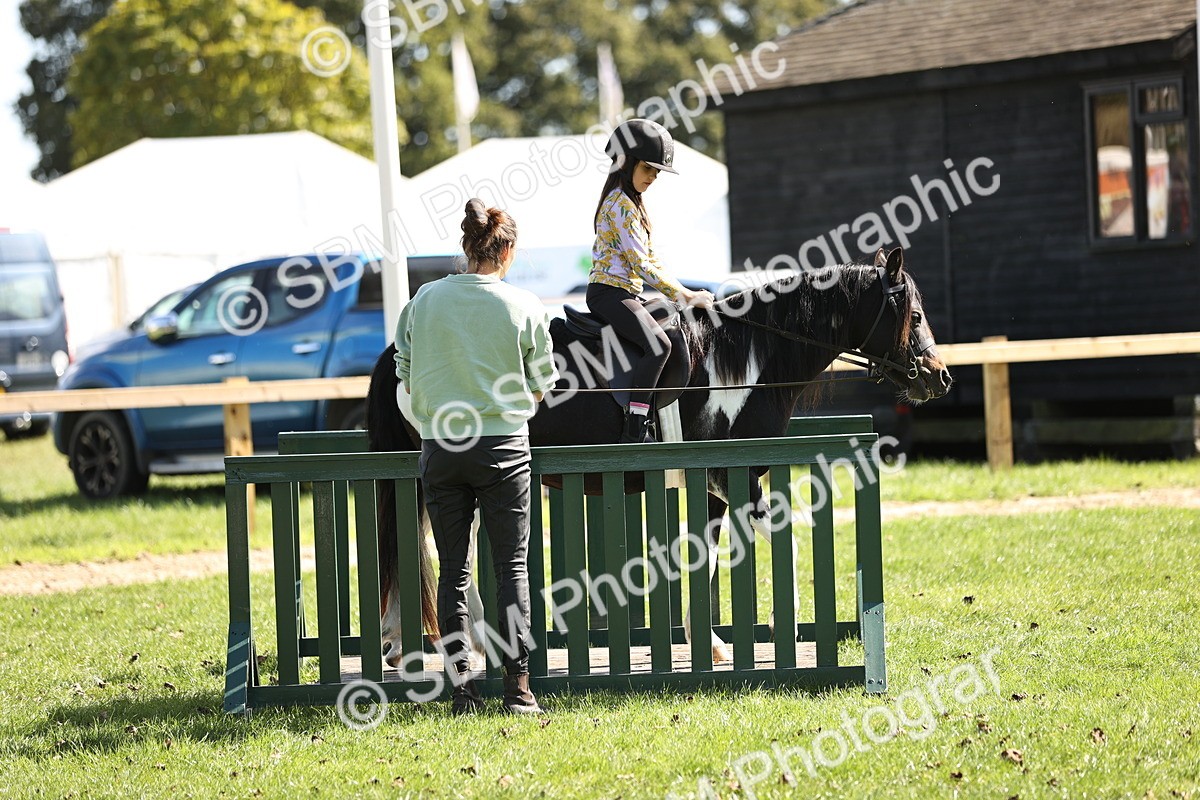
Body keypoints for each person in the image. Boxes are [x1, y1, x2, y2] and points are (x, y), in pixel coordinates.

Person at [394, 199, 559, 716]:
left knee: (453, 572)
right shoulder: (524, 305)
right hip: (504, 448)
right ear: (507, 249)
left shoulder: (423, 300)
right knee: (511, 567)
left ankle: (462, 689)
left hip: (441, 448)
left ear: (467, 247)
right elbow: (541, 387)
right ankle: (519, 689)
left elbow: (403, 366)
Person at [586, 118, 715, 443]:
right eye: (648, 168)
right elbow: (641, 264)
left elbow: (651, 259)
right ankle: (636, 424)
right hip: (609, 294)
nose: (653, 177)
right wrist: (685, 295)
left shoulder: (631, 203)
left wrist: (680, 294)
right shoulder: (621, 206)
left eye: (657, 171)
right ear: (624, 162)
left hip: (624, 292)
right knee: (659, 346)